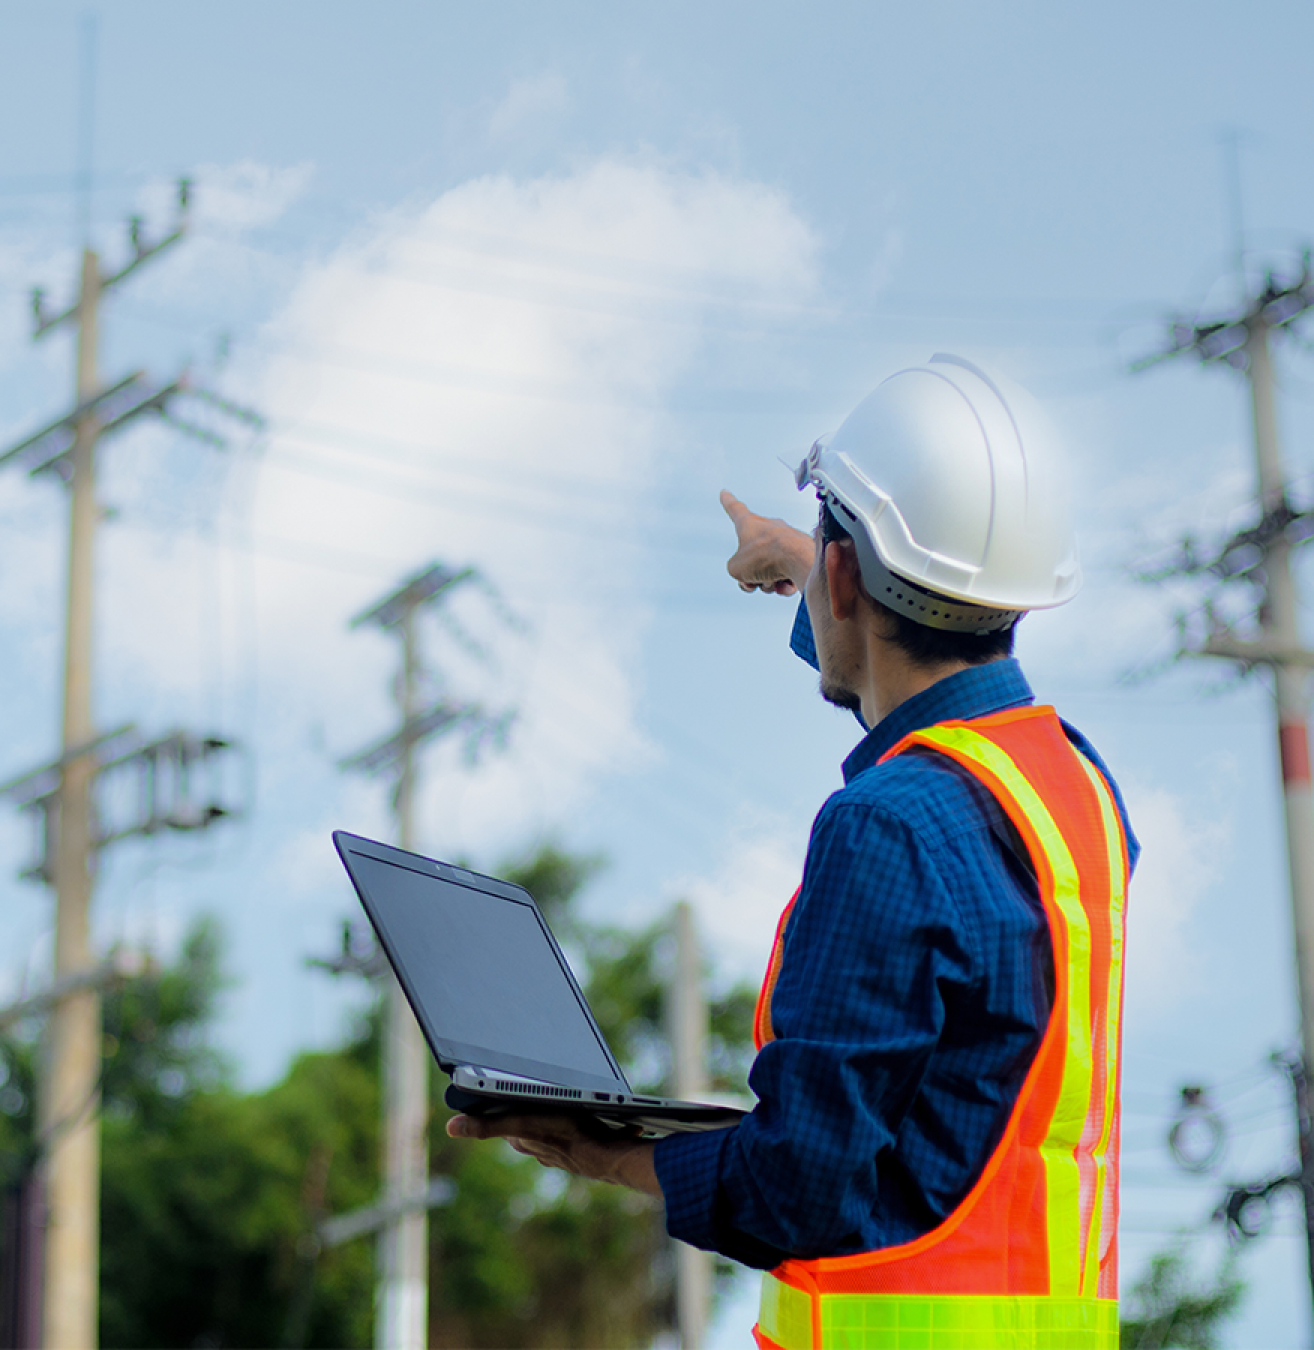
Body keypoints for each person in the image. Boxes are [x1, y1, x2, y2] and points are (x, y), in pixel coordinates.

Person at [449, 354, 1137, 1349]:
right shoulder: (1074, 790)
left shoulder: (886, 828)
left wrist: (605, 1155)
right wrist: (822, 575)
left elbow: (794, 1190)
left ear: (849, 575)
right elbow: (938, 737)